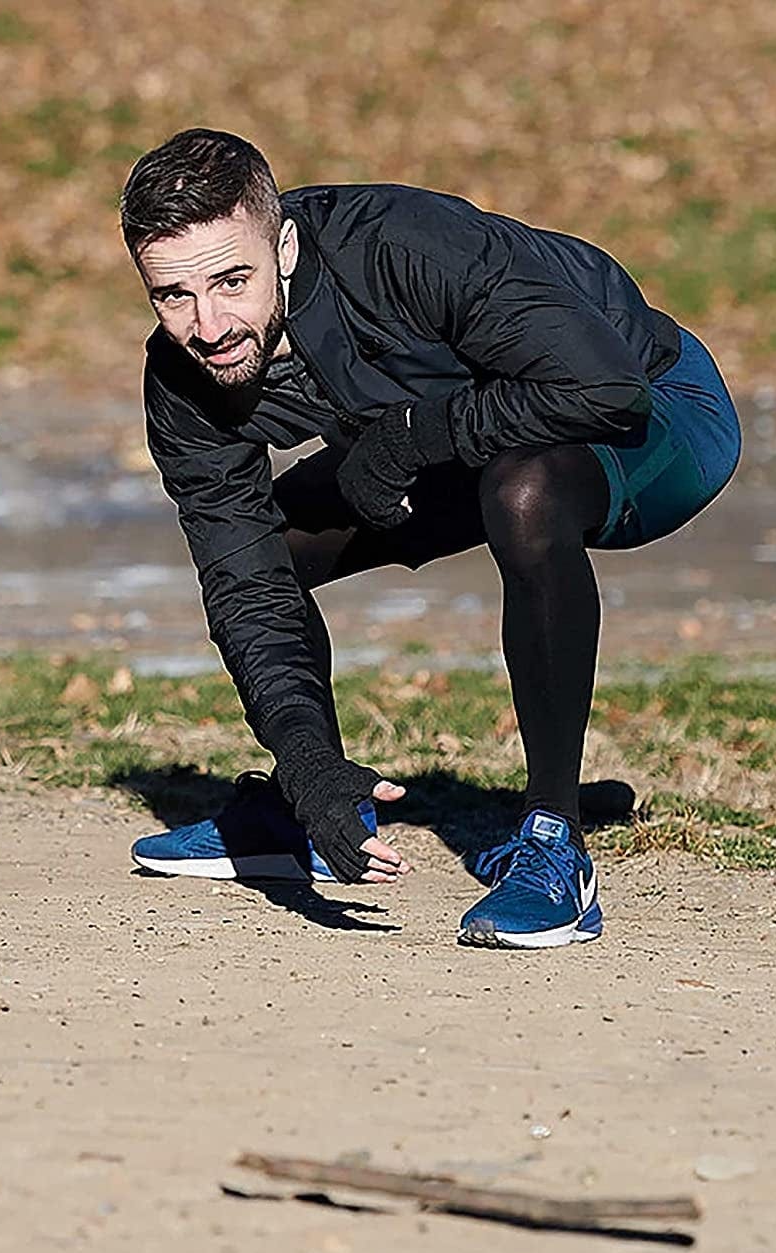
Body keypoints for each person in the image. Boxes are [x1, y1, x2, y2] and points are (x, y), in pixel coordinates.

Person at [119, 128, 741, 948]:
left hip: (651, 410)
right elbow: (243, 579)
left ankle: (555, 844)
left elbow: (603, 387)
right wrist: (306, 762)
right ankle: (312, 812)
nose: (209, 325)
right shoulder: (181, 381)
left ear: (285, 247)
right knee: (274, 547)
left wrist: (413, 438)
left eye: (232, 281)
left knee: (523, 494)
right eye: (173, 295)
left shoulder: (407, 248)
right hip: (463, 435)